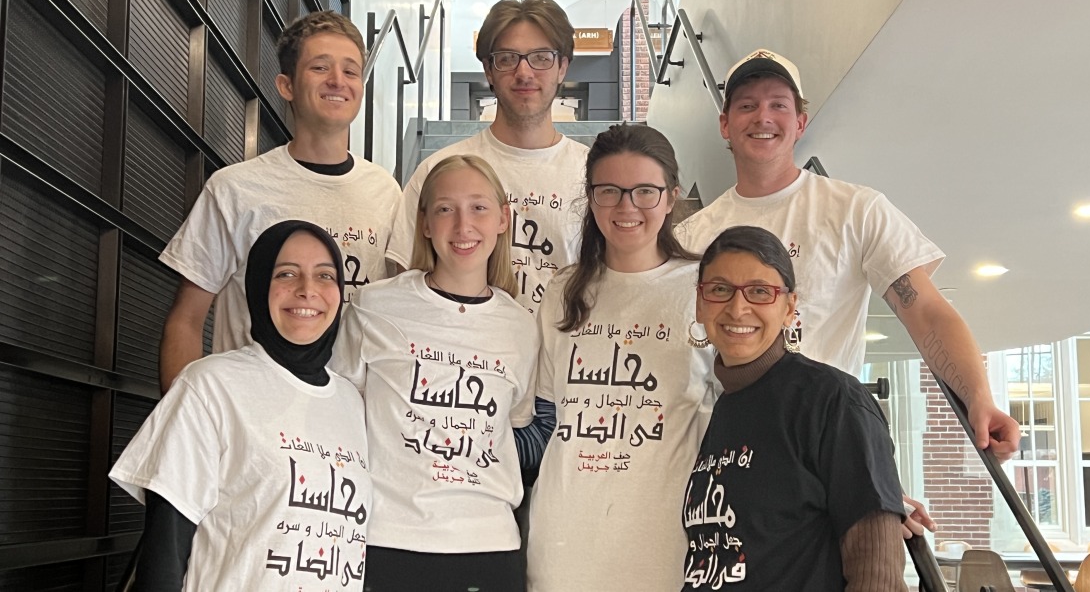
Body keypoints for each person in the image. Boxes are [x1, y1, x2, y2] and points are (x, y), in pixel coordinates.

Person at [676, 49, 1019, 463]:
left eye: (778, 105)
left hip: (826, 446)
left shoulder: (856, 209)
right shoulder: (691, 235)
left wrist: (978, 397)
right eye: (747, 106)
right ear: (725, 125)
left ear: (800, 123)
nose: (762, 117)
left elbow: (926, 310)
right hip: (726, 454)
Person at [110, 220, 370, 590]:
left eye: (325, 276)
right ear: (259, 286)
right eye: (286, 274)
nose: (307, 290)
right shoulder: (211, 386)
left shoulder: (352, 402)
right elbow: (164, 550)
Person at [158, 10, 400, 393]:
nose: (338, 80)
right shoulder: (234, 189)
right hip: (253, 418)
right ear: (286, 86)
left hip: (352, 425)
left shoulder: (386, 191)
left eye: (351, 71)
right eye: (320, 67)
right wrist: (182, 421)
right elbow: (185, 321)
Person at [331, 155, 537, 592]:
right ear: (424, 223)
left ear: (504, 219)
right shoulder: (375, 307)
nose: (463, 226)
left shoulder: (522, 326)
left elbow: (514, 426)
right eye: (445, 209)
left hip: (491, 545)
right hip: (389, 539)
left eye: (479, 207)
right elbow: (338, 412)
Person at [527, 124, 716, 591]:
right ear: (590, 198)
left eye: (645, 191)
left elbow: (762, 401)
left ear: (671, 198)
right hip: (565, 539)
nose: (626, 207)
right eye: (609, 191)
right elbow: (547, 409)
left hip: (665, 538)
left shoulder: (705, 289)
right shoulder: (562, 291)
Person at [683, 225, 907, 591]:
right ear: (699, 301)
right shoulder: (719, 408)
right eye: (720, 289)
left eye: (759, 292)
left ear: (789, 308)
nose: (738, 308)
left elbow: (876, 571)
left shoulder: (831, 399)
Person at [386, 0, 587, 316]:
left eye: (541, 57)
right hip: (461, 357)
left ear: (562, 67)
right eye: (507, 58)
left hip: (561, 359)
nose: (524, 72)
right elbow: (402, 279)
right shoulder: (438, 172)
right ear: (489, 71)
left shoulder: (592, 175)